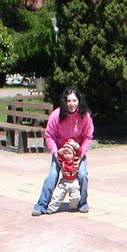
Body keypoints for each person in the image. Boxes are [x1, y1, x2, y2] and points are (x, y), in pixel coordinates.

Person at [32, 86, 94, 216]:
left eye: (74, 100)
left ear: (79, 101)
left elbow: (88, 136)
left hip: (77, 152)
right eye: (69, 101)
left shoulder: (85, 116)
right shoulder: (57, 115)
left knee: (82, 175)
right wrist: (56, 153)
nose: (71, 104)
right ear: (65, 102)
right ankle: (41, 205)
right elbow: (49, 135)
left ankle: (82, 203)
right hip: (60, 152)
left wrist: (81, 153)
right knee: (52, 176)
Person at [34, 145, 82, 215]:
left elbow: (79, 152)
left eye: (69, 153)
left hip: (74, 182)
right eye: (65, 154)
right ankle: (51, 208)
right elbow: (59, 155)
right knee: (57, 197)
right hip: (64, 183)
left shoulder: (75, 161)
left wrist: (75, 145)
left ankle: (73, 207)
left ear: (73, 154)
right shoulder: (62, 161)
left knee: (76, 197)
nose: (67, 156)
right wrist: (61, 151)